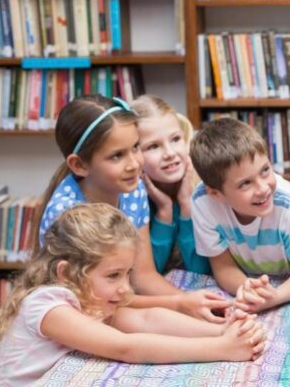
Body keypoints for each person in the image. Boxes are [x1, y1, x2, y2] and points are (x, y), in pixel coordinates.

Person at [0, 204, 265, 386]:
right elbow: (125, 347)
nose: (126, 288)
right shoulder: (46, 305)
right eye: (113, 275)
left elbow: (147, 320)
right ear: (66, 273)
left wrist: (220, 330)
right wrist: (222, 350)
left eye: (128, 274)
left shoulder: (91, 298)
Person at [35, 95, 230, 322]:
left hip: (117, 302)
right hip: (81, 312)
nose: (134, 164)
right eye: (117, 155)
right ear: (79, 165)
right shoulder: (66, 216)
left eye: (135, 147)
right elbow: (92, 300)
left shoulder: (133, 189)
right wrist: (178, 303)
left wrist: (194, 303)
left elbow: (143, 275)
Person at [189, 117, 290, 313]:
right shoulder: (202, 202)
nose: (263, 188)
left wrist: (274, 297)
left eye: (265, 170)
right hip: (248, 280)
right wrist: (248, 289)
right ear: (216, 193)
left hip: (288, 283)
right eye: (245, 183)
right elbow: (222, 267)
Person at [132, 94, 210, 275]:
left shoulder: (205, 187)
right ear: (134, 153)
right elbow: (147, 275)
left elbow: (200, 271)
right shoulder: (133, 198)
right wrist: (164, 212)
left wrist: (186, 205)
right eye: (153, 146)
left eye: (175, 139)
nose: (169, 153)